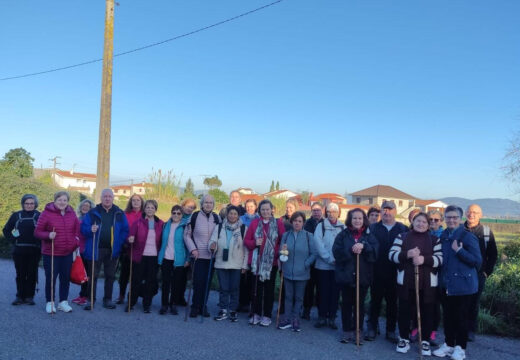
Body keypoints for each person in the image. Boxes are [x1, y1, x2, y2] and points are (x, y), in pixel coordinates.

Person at [389, 212, 443, 356]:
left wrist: (423, 260)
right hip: (406, 282)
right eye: (418, 221)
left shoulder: (434, 239)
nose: (421, 224)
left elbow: (440, 259)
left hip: (428, 284)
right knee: (405, 311)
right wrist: (407, 254)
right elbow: (392, 255)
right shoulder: (402, 236)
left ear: (428, 224)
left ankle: (424, 341)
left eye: (424, 222)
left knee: (427, 312)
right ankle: (404, 338)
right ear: (413, 222)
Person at [433, 205, 482, 360]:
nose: (451, 220)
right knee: (448, 317)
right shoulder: (444, 235)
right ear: (445, 219)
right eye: (448, 217)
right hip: (446, 284)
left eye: (455, 217)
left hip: (464, 286)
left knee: (461, 318)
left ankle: (460, 348)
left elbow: (477, 261)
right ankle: (448, 344)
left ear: (460, 219)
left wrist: (459, 251)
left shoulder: (467, 236)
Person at [333, 208, 378, 344]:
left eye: (359, 218)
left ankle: (357, 330)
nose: (357, 221)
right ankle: (347, 331)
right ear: (350, 220)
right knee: (346, 304)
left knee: (359, 305)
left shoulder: (369, 235)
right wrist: (351, 250)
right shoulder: (343, 234)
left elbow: (375, 252)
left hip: (363, 276)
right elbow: (336, 251)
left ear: (363, 219)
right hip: (346, 276)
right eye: (354, 218)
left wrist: (364, 246)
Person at [366, 200, 408, 342]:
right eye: (384, 209)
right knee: (375, 301)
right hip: (376, 271)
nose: (387, 212)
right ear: (381, 211)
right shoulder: (372, 228)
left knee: (392, 303)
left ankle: (390, 330)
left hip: (395, 273)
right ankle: (372, 328)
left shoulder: (403, 229)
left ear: (395, 211)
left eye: (390, 209)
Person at [81, 188, 129, 310]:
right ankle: (90, 300)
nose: (107, 198)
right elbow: (83, 229)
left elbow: (125, 230)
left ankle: (107, 300)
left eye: (109, 196)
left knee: (110, 276)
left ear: (113, 198)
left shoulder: (119, 213)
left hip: (113, 250)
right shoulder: (93, 212)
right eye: (105, 196)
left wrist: (120, 241)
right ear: (101, 198)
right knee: (93, 275)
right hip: (96, 249)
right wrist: (89, 229)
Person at [34, 191, 80, 313]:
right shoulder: (46, 213)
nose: (62, 202)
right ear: (55, 200)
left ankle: (63, 302)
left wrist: (76, 241)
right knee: (51, 278)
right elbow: (37, 232)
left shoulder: (71, 213)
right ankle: (50, 302)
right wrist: (48, 234)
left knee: (65, 278)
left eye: (65, 200)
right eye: (59, 200)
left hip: (67, 253)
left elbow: (77, 230)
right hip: (51, 253)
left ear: (68, 201)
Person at [244, 199, 285, 327]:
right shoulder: (255, 223)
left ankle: (267, 315)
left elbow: (282, 241)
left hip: (271, 263)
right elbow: (247, 240)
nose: (265, 211)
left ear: (272, 210)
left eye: (268, 209)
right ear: (259, 211)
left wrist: (275, 252)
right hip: (257, 262)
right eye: (263, 209)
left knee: (269, 289)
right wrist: (254, 243)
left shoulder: (278, 223)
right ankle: (255, 313)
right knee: (256, 288)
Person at [277, 211, 316, 332]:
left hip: (302, 273)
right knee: (288, 297)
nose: (297, 223)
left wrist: (306, 264)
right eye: (295, 221)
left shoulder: (308, 236)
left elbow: (314, 253)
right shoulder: (286, 235)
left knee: (299, 298)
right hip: (288, 271)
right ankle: (287, 318)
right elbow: (281, 252)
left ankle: (295, 318)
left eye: (300, 221)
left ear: (303, 223)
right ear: (291, 222)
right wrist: (282, 252)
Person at [209, 206, 248, 322]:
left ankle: (232, 310)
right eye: (230, 213)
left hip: (236, 263)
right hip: (221, 262)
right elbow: (213, 240)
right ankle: (223, 309)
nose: (232, 216)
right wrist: (212, 246)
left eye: (235, 214)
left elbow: (246, 249)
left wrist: (245, 265)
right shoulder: (219, 227)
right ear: (227, 215)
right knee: (223, 288)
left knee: (235, 288)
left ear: (238, 216)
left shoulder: (243, 229)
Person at [464, 204, 497, 342]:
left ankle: (470, 330)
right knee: (459, 302)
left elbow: (493, 255)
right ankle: (458, 328)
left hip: (478, 274)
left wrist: (486, 272)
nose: (472, 214)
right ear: (466, 213)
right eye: (470, 212)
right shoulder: (459, 229)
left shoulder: (486, 232)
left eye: (475, 212)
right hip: (460, 274)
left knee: (473, 303)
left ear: (480, 215)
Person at [184, 194, 220, 318]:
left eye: (210, 202)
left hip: (211, 257)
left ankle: (203, 306)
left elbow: (220, 236)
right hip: (198, 256)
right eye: (206, 202)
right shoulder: (194, 217)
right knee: (198, 282)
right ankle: (195, 306)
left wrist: (216, 246)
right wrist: (193, 249)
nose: (208, 204)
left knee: (207, 283)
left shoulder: (217, 218)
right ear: (202, 204)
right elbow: (187, 235)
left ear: (213, 205)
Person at [3, 194, 41, 306]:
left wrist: (40, 243)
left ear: (35, 204)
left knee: (32, 274)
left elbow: (45, 230)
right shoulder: (16, 215)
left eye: (31, 203)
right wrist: (13, 239)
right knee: (20, 274)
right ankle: (19, 296)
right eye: (27, 203)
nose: (29, 205)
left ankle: (29, 297)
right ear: (23, 204)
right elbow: (6, 230)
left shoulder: (40, 215)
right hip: (19, 250)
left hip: (34, 250)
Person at [126, 200, 163, 313]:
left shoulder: (160, 224)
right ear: (144, 209)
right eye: (147, 207)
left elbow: (162, 240)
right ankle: (131, 302)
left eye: (152, 208)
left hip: (153, 257)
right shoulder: (138, 222)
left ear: (155, 209)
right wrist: (130, 240)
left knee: (150, 282)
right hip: (139, 256)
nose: (150, 209)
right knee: (135, 281)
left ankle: (147, 305)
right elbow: (129, 240)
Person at [313, 203, 345, 330]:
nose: (331, 214)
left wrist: (339, 259)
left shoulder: (343, 227)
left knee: (335, 293)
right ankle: (321, 317)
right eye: (329, 212)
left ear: (338, 213)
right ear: (326, 213)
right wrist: (329, 259)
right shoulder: (321, 226)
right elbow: (318, 245)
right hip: (323, 266)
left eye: (334, 211)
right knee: (322, 292)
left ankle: (332, 318)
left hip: (338, 267)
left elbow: (345, 244)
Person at [158, 205, 190, 315]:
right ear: (171, 213)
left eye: (178, 213)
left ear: (182, 215)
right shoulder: (166, 225)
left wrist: (188, 259)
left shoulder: (185, 226)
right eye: (174, 213)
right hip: (166, 257)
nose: (176, 215)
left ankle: (173, 304)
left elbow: (188, 244)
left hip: (179, 259)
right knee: (166, 283)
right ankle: (164, 305)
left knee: (176, 284)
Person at [116, 194, 144, 305]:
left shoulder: (145, 215)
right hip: (127, 248)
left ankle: (132, 296)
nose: (136, 202)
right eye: (133, 200)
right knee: (124, 274)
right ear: (130, 202)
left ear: (142, 202)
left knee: (136, 275)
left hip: (140, 249)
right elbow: (121, 229)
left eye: (138, 200)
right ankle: (121, 295)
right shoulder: (125, 214)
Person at [302, 202, 323, 320]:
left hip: (321, 261)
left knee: (321, 288)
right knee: (308, 288)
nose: (316, 212)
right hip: (310, 261)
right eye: (314, 210)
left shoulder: (325, 224)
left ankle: (321, 312)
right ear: (311, 211)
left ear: (322, 210)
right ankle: (306, 310)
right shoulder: (307, 224)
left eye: (318, 210)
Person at [71, 199, 95, 306]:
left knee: (87, 274)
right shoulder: (78, 218)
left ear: (91, 208)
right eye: (83, 206)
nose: (85, 207)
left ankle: (86, 296)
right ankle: (82, 294)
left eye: (88, 206)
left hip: (87, 249)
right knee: (81, 273)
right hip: (79, 249)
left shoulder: (91, 219)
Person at [237, 198, 259, 313]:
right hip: (242, 251)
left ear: (255, 207)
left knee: (252, 280)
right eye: (248, 206)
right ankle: (242, 303)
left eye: (252, 206)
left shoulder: (259, 219)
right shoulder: (240, 219)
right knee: (242, 279)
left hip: (255, 253)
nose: (250, 208)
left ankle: (252, 304)